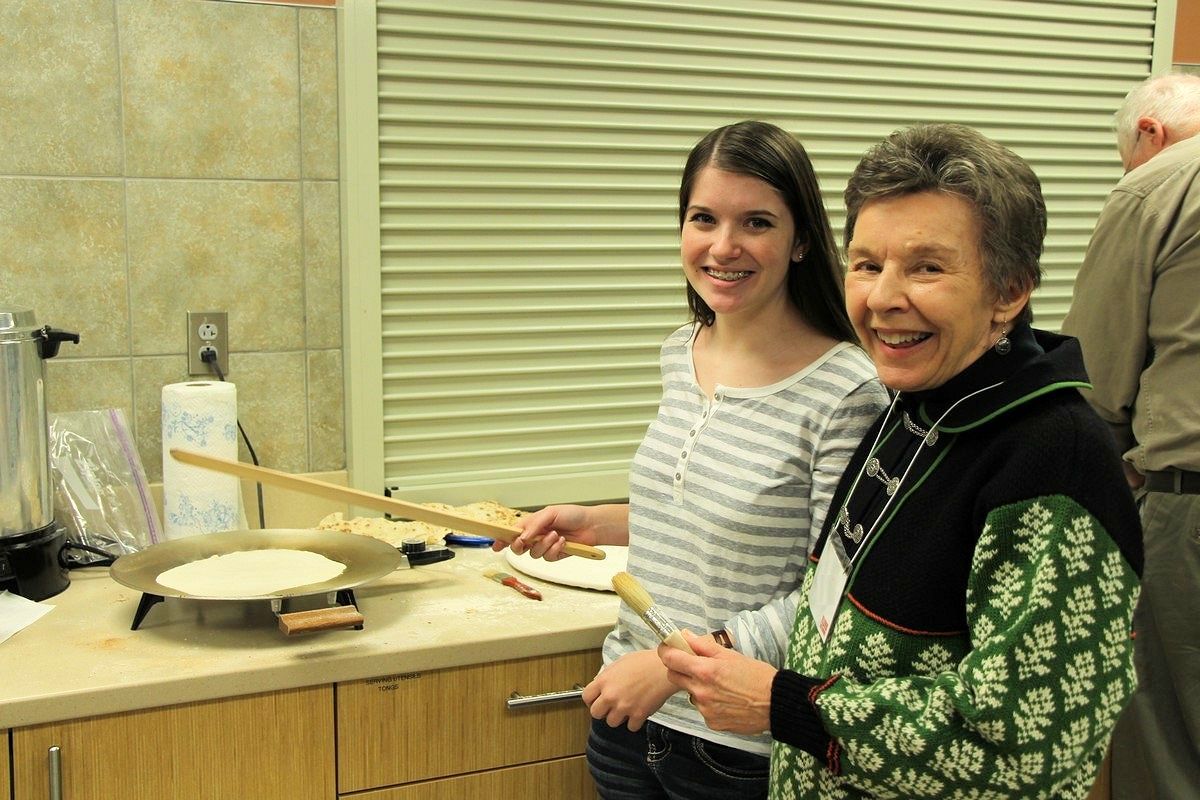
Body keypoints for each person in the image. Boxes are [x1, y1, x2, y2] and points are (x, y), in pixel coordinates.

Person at [658, 123, 1144, 799]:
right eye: (867, 264)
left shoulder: (1053, 463)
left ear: (1009, 292)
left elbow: (1023, 747)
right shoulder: (916, 406)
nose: (883, 298)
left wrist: (786, 705)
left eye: (927, 267)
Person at [501, 120, 889, 798]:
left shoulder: (844, 390)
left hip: (734, 748)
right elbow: (710, 508)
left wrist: (674, 664)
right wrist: (595, 519)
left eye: (757, 222)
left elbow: (833, 597)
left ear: (801, 241)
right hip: (626, 715)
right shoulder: (683, 351)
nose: (723, 246)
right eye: (703, 217)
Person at [1061, 72, 1200, 799]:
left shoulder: (1159, 186)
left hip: (1191, 512)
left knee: (1168, 749)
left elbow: (1096, 381)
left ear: (1148, 134)